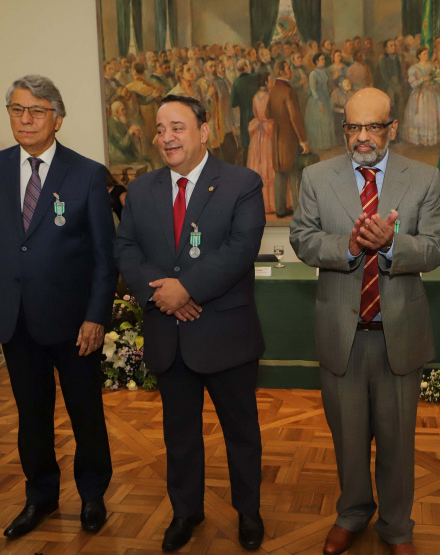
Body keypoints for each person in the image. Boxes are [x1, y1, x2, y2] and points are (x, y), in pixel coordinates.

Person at [290, 87, 440, 555]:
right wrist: (351, 246)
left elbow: (437, 248)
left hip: (398, 333)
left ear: (392, 128)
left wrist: (393, 244)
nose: (361, 138)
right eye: (352, 127)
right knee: (348, 439)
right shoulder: (317, 177)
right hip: (343, 336)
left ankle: (397, 527)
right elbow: (302, 239)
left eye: (372, 127)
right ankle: (353, 512)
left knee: (398, 444)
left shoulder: (422, 179)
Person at [0, 75, 116, 538]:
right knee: (31, 417)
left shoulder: (87, 172)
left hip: (74, 324)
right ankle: (41, 497)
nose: (25, 119)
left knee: (86, 413)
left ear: (58, 119)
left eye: (37, 111)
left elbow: (104, 256)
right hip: (14, 318)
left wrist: (96, 316)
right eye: (17, 109)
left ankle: (92, 495)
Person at [114, 95, 266, 552]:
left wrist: (187, 290)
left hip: (225, 334)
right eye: (160, 129)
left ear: (205, 130)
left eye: (177, 127)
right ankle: (186, 512)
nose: (166, 138)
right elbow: (124, 250)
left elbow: (240, 249)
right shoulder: (140, 190)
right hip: (169, 333)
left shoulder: (242, 182)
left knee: (241, 434)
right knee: (179, 435)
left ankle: (249, 513)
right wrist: (163, 294)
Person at [268, 60, 310, 218]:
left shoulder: (273, 90)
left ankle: (280, 210)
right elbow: (295, 117)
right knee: (294, 173)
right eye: (288, 68)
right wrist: (303, 140)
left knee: (280, 173)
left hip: (277, 138)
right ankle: (298, 210)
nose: (291, 71)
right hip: (290, 138)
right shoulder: (288, 91)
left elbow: (267, 113)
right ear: (282, 72)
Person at [401, 48, 440, 145]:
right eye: (424, 54)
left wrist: (432, 82)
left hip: (431, 93)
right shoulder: (414, 68)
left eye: (427, 54)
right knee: (421, 115)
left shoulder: (432, 66)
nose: (426, 55)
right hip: (420, 94)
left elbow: (438, 79)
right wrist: (423, 80)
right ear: (419, 56)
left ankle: (431, 138)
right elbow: (412, 83)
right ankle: (421, 138)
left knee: (433, 114)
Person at [248, 72, 276, 213]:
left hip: (257, 135)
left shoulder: (255, 97)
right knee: (268, 165)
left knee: (259, 165)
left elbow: (255, 112)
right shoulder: (270, 96)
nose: (273, 82)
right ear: (265, 82)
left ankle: (262, 204)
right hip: (267, 133)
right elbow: (272, 114)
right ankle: (271, 204)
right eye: (271, 79)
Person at [306, 53, 338, 152]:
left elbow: (330, 84)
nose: (324, 61)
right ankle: (320, 146)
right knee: (321, 120)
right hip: (317, 100)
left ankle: (328, 145)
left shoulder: (326, 71)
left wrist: (334, 80)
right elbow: (313, 89)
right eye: (322, 59)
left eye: (324, 59)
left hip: (326, 98)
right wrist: (319, 103)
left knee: (328, 120)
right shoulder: (313, 74)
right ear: (317, 62)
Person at [231, 59, 259, 163]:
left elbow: (233, 102)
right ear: (247, 67)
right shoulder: (256, 79)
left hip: (244, 116)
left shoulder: (236, 83)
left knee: (246, 143)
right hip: (257, 113)